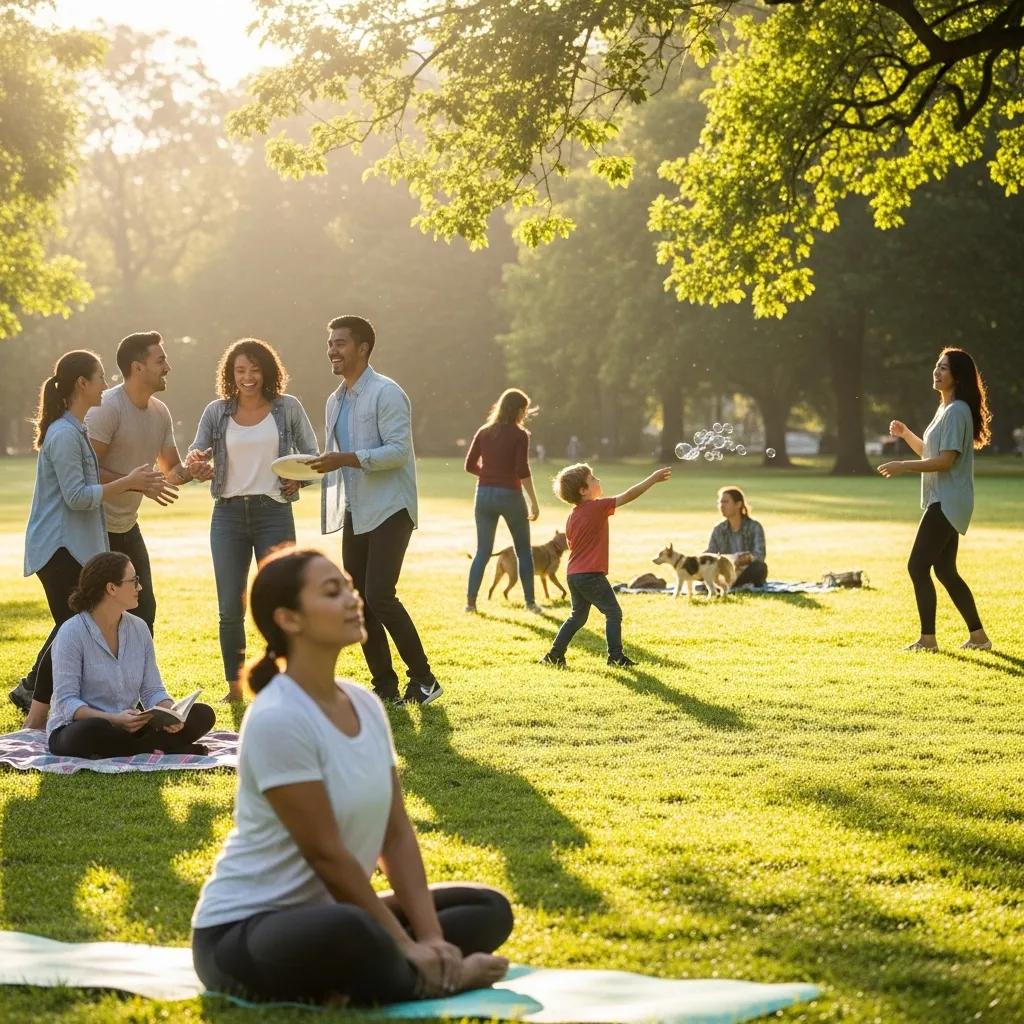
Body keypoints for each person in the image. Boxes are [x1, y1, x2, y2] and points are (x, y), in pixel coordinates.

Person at [190, 548, 512, 1005]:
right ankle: (436, 978)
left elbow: (396, 832)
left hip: (329, 915)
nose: (352, 599)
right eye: (332, 591)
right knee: (354, 929)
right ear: (289, 619)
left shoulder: (364, 703)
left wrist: (432, 938)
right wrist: (406, 946)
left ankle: (393, 972)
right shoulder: (278, 716)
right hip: (240, 933)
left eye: (349, 587)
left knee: (487, 909)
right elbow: (326, 855)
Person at [16, 351, 164, 730]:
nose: (105, 384)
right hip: (57, 550)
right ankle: (37, 716)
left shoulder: (75, 428)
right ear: (82, 384)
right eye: (100, 377)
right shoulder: (64, 434)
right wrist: (128, 481)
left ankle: (35, 710)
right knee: (71, 628)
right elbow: (77, 496)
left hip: (73, 549)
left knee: (69, 626)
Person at [310, 315, 442, 706]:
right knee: (361, 601)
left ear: (363, 348)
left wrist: (347, 458)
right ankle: (384, 687)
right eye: (330, 343)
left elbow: (398, 452)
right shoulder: (335, 401)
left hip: (391, 509)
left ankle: (424, 680)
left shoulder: (387, 393)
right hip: (357, 510)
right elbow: (335, 461)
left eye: (341, 343)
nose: (333, 350)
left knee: (380, 595)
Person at [187, 339, 318, 700]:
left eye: (255, 369)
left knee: (282, 603)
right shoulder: (217, 412)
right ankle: (235, 686)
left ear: (268, 371)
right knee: (230, 607)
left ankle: (289, 679)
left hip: (273, 513)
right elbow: (195, 453)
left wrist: (300, 477)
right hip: (227, 517)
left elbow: (314, 456)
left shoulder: (287, 408)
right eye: (240, 370)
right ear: (230, 374)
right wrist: (197, 463)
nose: (248, 377)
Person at [878, 347, 993, 652]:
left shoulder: (956, 411)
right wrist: (906, 435)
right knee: (945, 571)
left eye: (944, 368)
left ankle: (928, 640)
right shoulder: (946, 409)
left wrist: (902, 466)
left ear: (957, 376)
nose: (937, 372)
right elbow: (930, 453)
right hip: (942, 499)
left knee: (917, 566)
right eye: (937, 366)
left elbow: (945, 462)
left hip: (948, 500)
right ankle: (979, 637)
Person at [86, 331, 200, 636]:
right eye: (160, 360)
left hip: (127, 526)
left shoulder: (160, 413)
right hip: (94, 527)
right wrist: (136, 484)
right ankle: (37, 682)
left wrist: (193, 469)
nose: (168, 367)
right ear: (138, 367)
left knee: (143, 608)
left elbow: (170, 470)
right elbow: (87, 470)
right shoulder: (107, 408)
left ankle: (140, 683)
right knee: (88, 615)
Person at [47, 552, 215, 757]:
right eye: (134, 581)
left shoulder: (139, 629)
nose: (140, 587)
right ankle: (160, 747)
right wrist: (113, 719)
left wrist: (171, 713)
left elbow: (152, 689)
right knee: (87, 733)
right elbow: (67, 702)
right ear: (111, 588)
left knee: (203, 715)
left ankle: (145, 747)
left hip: (132, 728)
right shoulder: (72, 632)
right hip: (80, 728)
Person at [540, 463, 671, 668]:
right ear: (583, 491)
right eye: (592, 479)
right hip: (590, 575)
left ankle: (554, 655)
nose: (597, 480)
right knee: (613, 613)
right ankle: (616, 657)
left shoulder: (572, 516)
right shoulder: (597, 507)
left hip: (574, 575)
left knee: (577, 617)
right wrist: (652, 479)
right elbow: (628, 495)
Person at [464, 388, 542, 613]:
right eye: (524, 410)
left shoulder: (484, 431)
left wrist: (490, 475)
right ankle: (530, 603)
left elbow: (469, 465)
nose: (524, 415)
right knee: (523, 551)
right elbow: (521, 469)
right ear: (517, 410)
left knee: (483, 551)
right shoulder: (520, 435)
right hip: (510, 495)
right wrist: (533, 502)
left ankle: (470, 603)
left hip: (484, 495)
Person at [705, 486, 768, 588]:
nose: (721, 506)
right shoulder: (718, 529)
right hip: (724, 570)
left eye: (726, 502)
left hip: (745, 571)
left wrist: (748, 558)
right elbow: (711, 552)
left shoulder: (754, 527)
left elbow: (760, 555)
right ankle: (728, 584)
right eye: (720, 502)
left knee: (760, 568)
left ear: (738, 504)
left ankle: (727, 584)